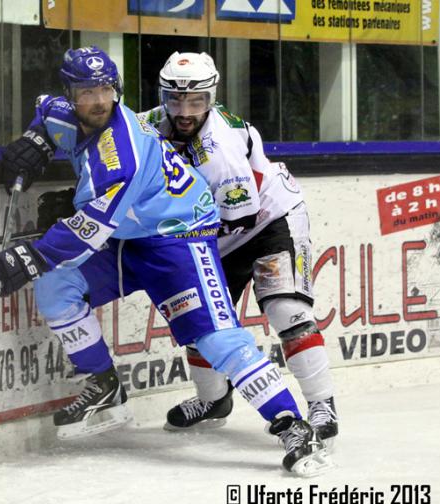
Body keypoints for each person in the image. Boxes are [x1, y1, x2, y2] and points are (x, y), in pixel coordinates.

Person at [0, 46, 330, 476]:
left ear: (117, 91)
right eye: (86, 92)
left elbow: (91, 228)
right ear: (72, 95)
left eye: (105, 90)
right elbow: (45, 111)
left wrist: (30, 256)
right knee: (56, 287)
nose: (98, 101)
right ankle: (104, 384)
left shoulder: (122, 152)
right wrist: (35, 139)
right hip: (131, 235)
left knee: (217, 339)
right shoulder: (62, 112)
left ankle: (292, 424)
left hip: (180, 237)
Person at [139, 51, 338, 446]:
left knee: (287, 309)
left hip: (267, 220)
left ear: (210, 99)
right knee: (199, 320)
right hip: (211, 229)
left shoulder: (220, 152)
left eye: (195, 102)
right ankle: (214, 400)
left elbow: (238, 220)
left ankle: (322, 405)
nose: (184, 111)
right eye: (175, 100)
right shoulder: (147, 124)